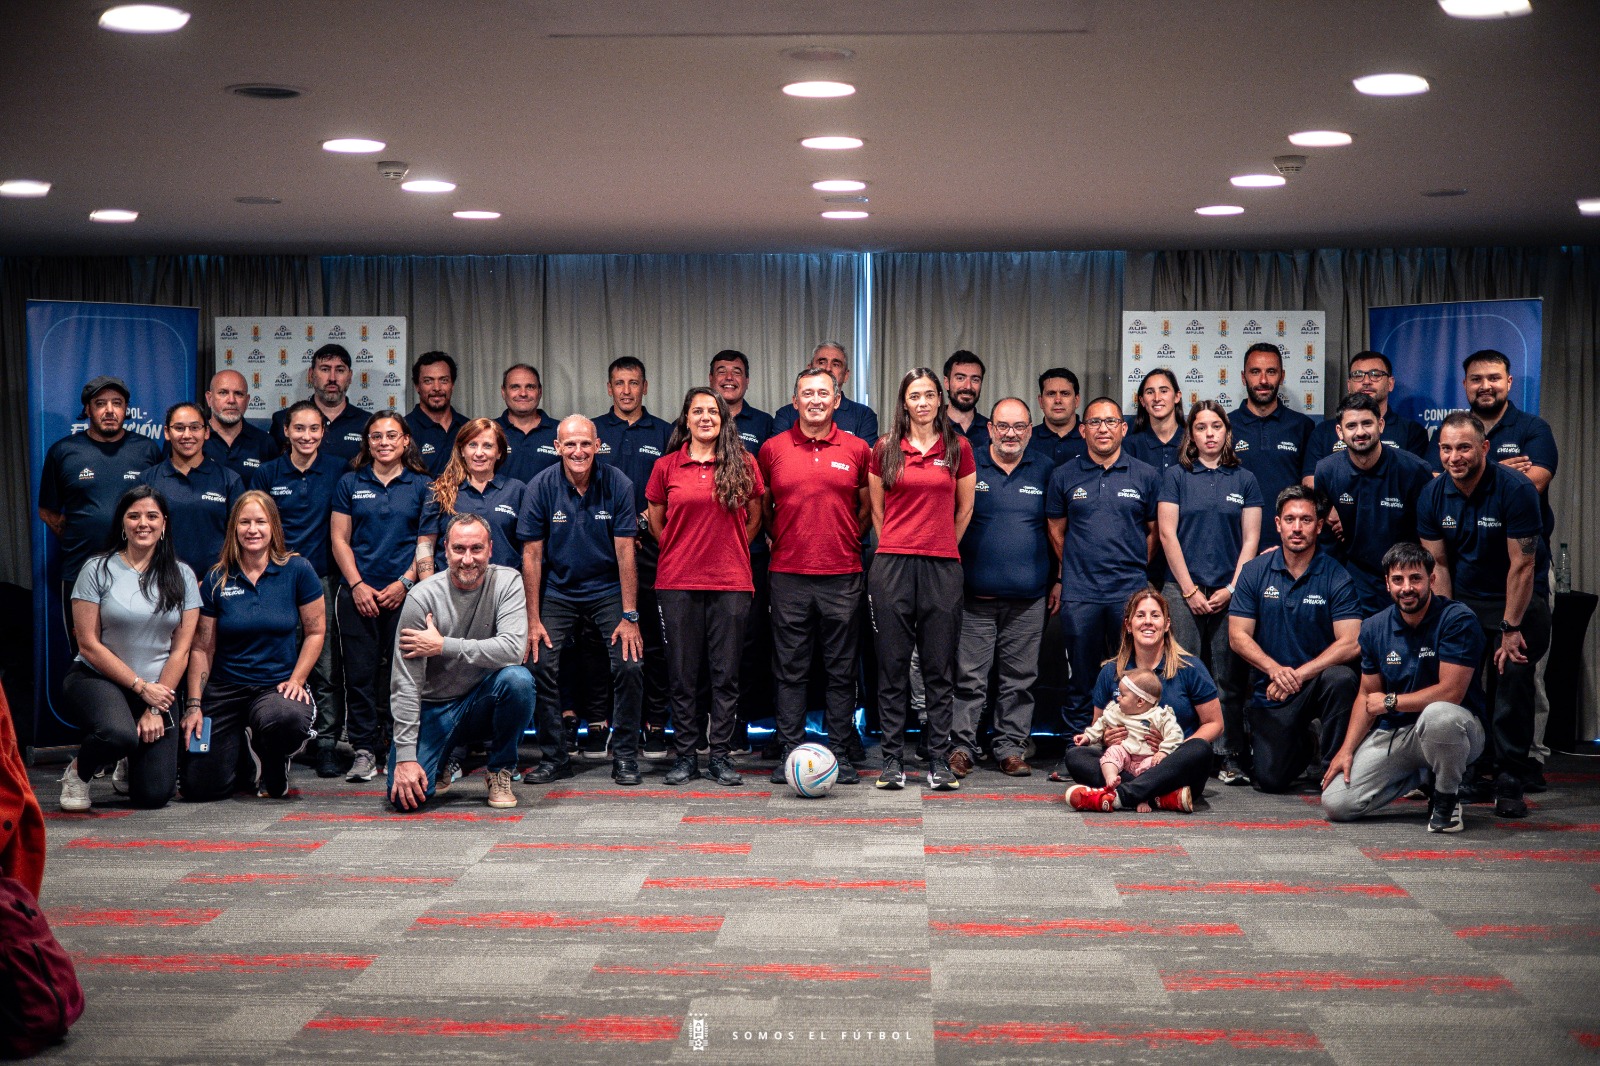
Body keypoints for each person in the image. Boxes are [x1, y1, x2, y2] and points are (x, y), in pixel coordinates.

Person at [1417, 410, 1549, 818]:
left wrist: (1510, 628)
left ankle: (1511, 776)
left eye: (1464, 448)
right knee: (1462, 681)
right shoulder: (1432, 495)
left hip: (1519, 597)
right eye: (1446, 449)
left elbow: (1523, 565)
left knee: (1513, 679)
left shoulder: (1516, 489)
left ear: (1485, 448)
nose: (1454, 457)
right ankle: (1470, 768)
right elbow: (1439, 565)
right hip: (1466, 599)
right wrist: (1447, 622)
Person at [1442, 348, 1559, 787]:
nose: (1485, 386)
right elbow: (1442, 480)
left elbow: (1535, 480)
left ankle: (1524, 763)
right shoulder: (1455, 429)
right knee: (1470, 676)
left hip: (1524, 571)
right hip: (1470, 578)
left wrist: (1483, 472)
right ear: (1465, 385)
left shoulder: (1532, 428)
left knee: (1522, 675)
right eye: (1476, 379)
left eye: (1494, 377)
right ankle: (1477, 761)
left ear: (1509, 382)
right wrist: (1485, 469)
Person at [1321, 542, 1486, 833]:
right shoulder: (1373, 627)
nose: (1407, 588)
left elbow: (1451, 693)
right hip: (1397, 733)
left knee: (1439, 716)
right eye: (1398, 579)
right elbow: (1366, 695)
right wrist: (1346, 750)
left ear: (1431, 579)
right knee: (1337, 803)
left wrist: (1390, 702)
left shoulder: (1458, 620)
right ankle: (1422, 774)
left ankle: (1446, 796)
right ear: (1387, 584)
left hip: (1457, 731)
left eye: (1415, 578)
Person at [646, 388, 764, 787]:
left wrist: (728, 550)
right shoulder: (666, 466)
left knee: (725, 674)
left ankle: (720, 757)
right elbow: (657, 522)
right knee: (682, 674)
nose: (705, 417)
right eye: (697, 411)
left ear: (723, 418)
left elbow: (754, 518)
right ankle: (685, 756)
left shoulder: (743, 462)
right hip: (677, 581)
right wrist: (682, 549)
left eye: (713, 411)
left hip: (731, 582)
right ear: (686, 418)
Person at [519, 415, 646, 787]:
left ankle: (625, 756)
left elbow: (626, 553)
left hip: (608, 588)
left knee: (630, 664)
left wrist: (630, 615)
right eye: (570, 444)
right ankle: (554, 757)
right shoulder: (540, 486)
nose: (578, 451)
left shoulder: (618, 483)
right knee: (538, 663)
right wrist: (532, 620)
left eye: (586, 444)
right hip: (558, 590)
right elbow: (531, 556)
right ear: (557, 447)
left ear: (598, 446)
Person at [760, 368, 871, 784]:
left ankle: (839, 751)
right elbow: (763, 508)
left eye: (823, 393)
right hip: (788, 575)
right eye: (807, 393)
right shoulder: (772, 449)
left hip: (843, 573)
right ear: (795, 401)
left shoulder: (858, 448)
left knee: (842, 669)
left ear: (837, 400)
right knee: (790, 668)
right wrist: (784, 538)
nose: (815, 400)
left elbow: (867, 508)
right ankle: (789, 750)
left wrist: (847, 539)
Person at [58, 487, 200, 811]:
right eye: (133, 516)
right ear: (122, 523)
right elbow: (88, 644)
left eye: (151, 516)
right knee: (116, 733)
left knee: (153, 796)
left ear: (164, 524)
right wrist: (140, 687)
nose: (142, 523)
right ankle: (78, 772)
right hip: (98, 679)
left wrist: (155, 707)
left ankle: (128, 756)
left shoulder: (183, 576)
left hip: (158, 690)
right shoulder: (96, 569)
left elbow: (181, 651)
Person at [868, 368, 976, 791]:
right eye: (915, 396)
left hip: (942, 567)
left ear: (940, 400)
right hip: (892, 566)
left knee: (938, 668)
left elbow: (965, 509)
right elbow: (877, 512)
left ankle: (938, 760)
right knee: (893, 667)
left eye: (930, 394)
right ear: (905, 402)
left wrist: (940, 544)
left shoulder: (958, 447)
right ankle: (892, 760)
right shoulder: (884, 448)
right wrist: (900, 544)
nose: (923, 402)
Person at [386, 514, 535, 811]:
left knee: (518, 681)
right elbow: (406, 682)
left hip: (482, 700)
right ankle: (440, 760)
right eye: (459, 549)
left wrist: (443, 645)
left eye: (476, 548)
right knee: (405, 800)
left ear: (490, 549)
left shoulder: (507, 582)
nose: (468, 559)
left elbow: (513, 650)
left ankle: (500, 769)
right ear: (445, 549)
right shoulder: (422, 597)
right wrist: (405, 758)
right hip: (433, 708)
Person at [183, 491, 322, 800]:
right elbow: (202, 648)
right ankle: (244, 755)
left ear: (273, 527)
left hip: (275, 687)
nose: (252, 530)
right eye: (244, 522)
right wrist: (194, 705)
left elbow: (315, 631)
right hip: (225, 688)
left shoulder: (298, 570)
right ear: (234, 527)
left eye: (261, 522)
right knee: (200, 788)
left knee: (287, 719)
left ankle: (272, 755)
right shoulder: (217, 578)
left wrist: (297, 680)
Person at [1045, 397, 1161, 755]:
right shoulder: (1064, 475)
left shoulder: (1146, 475)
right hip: (1081, 593)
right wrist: (1078, 566)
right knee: (1081, 677)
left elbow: (1155, 532)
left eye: (1111, 422)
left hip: (1129, 593)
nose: (1103, 429)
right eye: (1095, 422)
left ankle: (1130, 751)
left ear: (1123, 428)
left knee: (1131, 677)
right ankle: (1077, 751)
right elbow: (1056, 530)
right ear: (1083, 430)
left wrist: (1132, 565)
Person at [1228, 485, 1362, 792]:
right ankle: (1309, 742)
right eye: (1290, 519)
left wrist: (1299, 675)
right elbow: (1237, 636)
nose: (1297, 528)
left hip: (1314, 682)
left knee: (1341, 679)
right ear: (1278, 524)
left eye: (1306, 520)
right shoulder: (1254, 571)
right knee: (1269, 781)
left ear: (1319, 525)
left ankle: (1332, 772)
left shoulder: (1336, 575)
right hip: (1273, 689)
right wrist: (1275, 670)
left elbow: (1351, 642)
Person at [1156, 400, 1261, 785]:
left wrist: (1233, 588)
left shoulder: (1245, 479)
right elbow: (1167, 534)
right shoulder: (1176, 477)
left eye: (1216, 426)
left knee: (1228, 680)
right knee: (1179, 674)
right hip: (1181, 590)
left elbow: (1251, 540)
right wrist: (1189, 591)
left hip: (1230, 592)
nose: (1209, 434)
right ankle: (1178, 751)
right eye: (1201, 427)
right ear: (1191, 435)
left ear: (1227, 432)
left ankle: (1228, 754)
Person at [951, 397, 1054, 778]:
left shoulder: (1045, 468)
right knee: (969, 680)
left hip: (1028, 600)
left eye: (1019, 426)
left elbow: (1057, 530)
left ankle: (1010, 748)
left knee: (1019, 682)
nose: (1011, 434)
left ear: (1030, 430)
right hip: (973, 599)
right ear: (990, 428)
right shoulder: (968, 463)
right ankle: (961, 747)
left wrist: (1058, 580)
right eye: (1004, 426)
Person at [330, 411, 432, 783]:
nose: (384, 442)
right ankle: (363, 749)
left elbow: (426, 542)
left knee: (402, 676)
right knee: (359, 675)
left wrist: (405, 582)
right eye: (376, 436)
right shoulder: (350, 482)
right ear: (368, 442)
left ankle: (396, 748)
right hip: (358, 594)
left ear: (406, 440)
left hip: (406, 594)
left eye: (392, 435)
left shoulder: (423, 485)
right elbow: (339, 539)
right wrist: (357, 585)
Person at [250, 399, 347, 778]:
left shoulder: (339, 470)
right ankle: (277, 739)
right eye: (299, 428)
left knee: (325, 666)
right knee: (279, 659)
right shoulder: (267, 473)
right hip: (276, 578)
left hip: (322, 578)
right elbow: (254, 526)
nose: (307, 436)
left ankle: (326, 744)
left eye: (314, 428)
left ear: (324, 432)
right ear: (286, 431)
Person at [1062, 589, 1224, 814]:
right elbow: (1098, 726)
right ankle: (1161, 798)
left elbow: (1215, 723)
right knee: (1076, 756)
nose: (1148, 621)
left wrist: (1173, 750)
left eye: (1155, 615)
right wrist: (1107, 737)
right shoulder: (1110, 672)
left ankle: (1122, 796)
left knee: (1200, 749)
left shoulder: (1190, 667)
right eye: (1140, 615)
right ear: (1128, 625)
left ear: (1166, 624)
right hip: (1127, 761)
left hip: (1172, 766)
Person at [39, 375, 163, 640]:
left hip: (138, 569)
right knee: (85, 648)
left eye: (117, 403)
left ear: (126, 409)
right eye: (100, 403)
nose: (109, 410)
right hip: (80, 568)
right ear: (87, 409)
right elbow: (47, 511)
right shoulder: (62, 451)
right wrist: (82, 533)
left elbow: (160, 510)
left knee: (136, 647)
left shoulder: (148, 450)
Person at [594, 356, 674, 758]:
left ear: (645, 387)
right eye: (619, 383)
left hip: (652, 549)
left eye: (634, 383)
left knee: (653, 639)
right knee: (603, 639)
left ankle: (655, 722)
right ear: (609, 388)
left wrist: (640, 526)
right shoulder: (593, 431)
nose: (627, 390)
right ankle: (605, 722)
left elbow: (673, 487)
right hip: (599, 550)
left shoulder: (664, 432)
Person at [1310, 393, 1434, 617]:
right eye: (1351, 426)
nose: (1360, 432)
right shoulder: (1326, 471)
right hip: (1354, 581)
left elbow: (1428, 537)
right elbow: (1327, 542)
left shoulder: (1414, 470)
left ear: (1381, 425)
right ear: (1339, 432)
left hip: (1405, 580)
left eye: (1367, 423)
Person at [711, 348, 774, 752]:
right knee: (708, 644)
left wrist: (746, 540)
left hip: (750, 554)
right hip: (703, 558)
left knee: (747, 643)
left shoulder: (764, 424)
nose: (729, 377)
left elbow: (765, 494)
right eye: (722, 371)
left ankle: (740, 724)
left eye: (737, 372)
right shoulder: (697, 419)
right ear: (711, 379)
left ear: (747, 381)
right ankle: (713, 725)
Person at [139, 402, 244, 575]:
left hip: (215, 582)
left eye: (195, 428)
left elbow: (239, 538)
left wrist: (214, 579)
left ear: (206, 432)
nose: (187, 435)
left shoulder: (230, 480)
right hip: (159, 580)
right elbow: (137, 536)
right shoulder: (147, 480)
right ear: (167, 432)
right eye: (179, 428)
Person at [417, 418, 526, 576]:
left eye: (487, 446)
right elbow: (425, 545)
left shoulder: (516, 490)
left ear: (499, 452)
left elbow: (529, 550)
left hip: (503, 586)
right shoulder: (440, 490)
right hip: (452, 586)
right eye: (472, 445)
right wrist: (429, 586)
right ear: (462, 450)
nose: (479, 453)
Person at [1232, 343, 1314, 550]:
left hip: (1291, 544)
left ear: (1282, 376)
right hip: (1236, 545)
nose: (1263, 380)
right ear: (1243, 377)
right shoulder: (1225, 426)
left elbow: (1311, 489)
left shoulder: (1303, 426)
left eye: (1271, 372)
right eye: (1255, 372)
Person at [1300, 351, 1429, 475]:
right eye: (1358, 375)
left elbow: (1415, 480)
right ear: (1349, 385)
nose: (1366, 381)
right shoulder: (1323, 432)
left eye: (1376, 375)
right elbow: (1311, 481)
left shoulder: (1412, 432)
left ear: (1390, 383)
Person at [1073, 669, 1183, 790]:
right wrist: (1088, 737)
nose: (1118, 698)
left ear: (1140, 701)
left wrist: (1164, 751)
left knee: (1156, 765)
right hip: (1124, 756)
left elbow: (1175, 734)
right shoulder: (1116, 711)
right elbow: (1101, 724)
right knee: (1113, 751)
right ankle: (1111, 778)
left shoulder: (1159, 716)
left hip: (1147, 757)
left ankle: (1141, 791)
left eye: (1123, 695)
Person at [269, 343, 370, 464]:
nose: (332, 378)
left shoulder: (368, 422)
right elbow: (272, 469)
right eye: (325, 369)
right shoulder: (283, 419)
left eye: (340, 370)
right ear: (311, 375)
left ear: (350, 376)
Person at [772, 342, 880, 443]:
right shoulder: (786, 414)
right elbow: (779, 452)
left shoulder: (863, 415)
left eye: (836, 364)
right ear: (809, 369)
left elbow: (866, 455)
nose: (828, 368)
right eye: (821, 362)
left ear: (846, 375)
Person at [202, 369, 278, 479]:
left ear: (247, 401)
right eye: (223, 393)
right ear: (209, 398)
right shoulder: (193, 439)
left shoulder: (265, 443)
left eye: (238, 394)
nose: (231, 400)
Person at [494, 363, 560, 484]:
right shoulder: (488, 431)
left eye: (530, 387)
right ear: (503, 392)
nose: (523, 393)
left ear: (540, 391)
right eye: (515, 387)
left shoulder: (561, 431)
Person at [405, 351, 466, 477]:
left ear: (452, 384)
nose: (437, 388)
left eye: (444, 380)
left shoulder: (467, 427)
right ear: (417, 386)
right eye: (428, 381)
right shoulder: (404, 429)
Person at [1124, 367, 1185, 473]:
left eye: (1164, 391)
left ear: (1177, 396)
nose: (1157, 398)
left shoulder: (1193, 441)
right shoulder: (1130, 446)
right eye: (1150, 392)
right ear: (1142, 401)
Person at [1031, 368, 1087, 467]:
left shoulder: (1092, 438)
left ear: (1077, 400)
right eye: (1051, 394)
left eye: (1065, 394)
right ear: (1041, 401)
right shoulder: (1026, 439)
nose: (1058, 400)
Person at [943, 350, 989, 447]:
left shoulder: (991, 430)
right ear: (946, 383)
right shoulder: (931, 426)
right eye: (960, 378)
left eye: (975, 380)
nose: (968, 386)